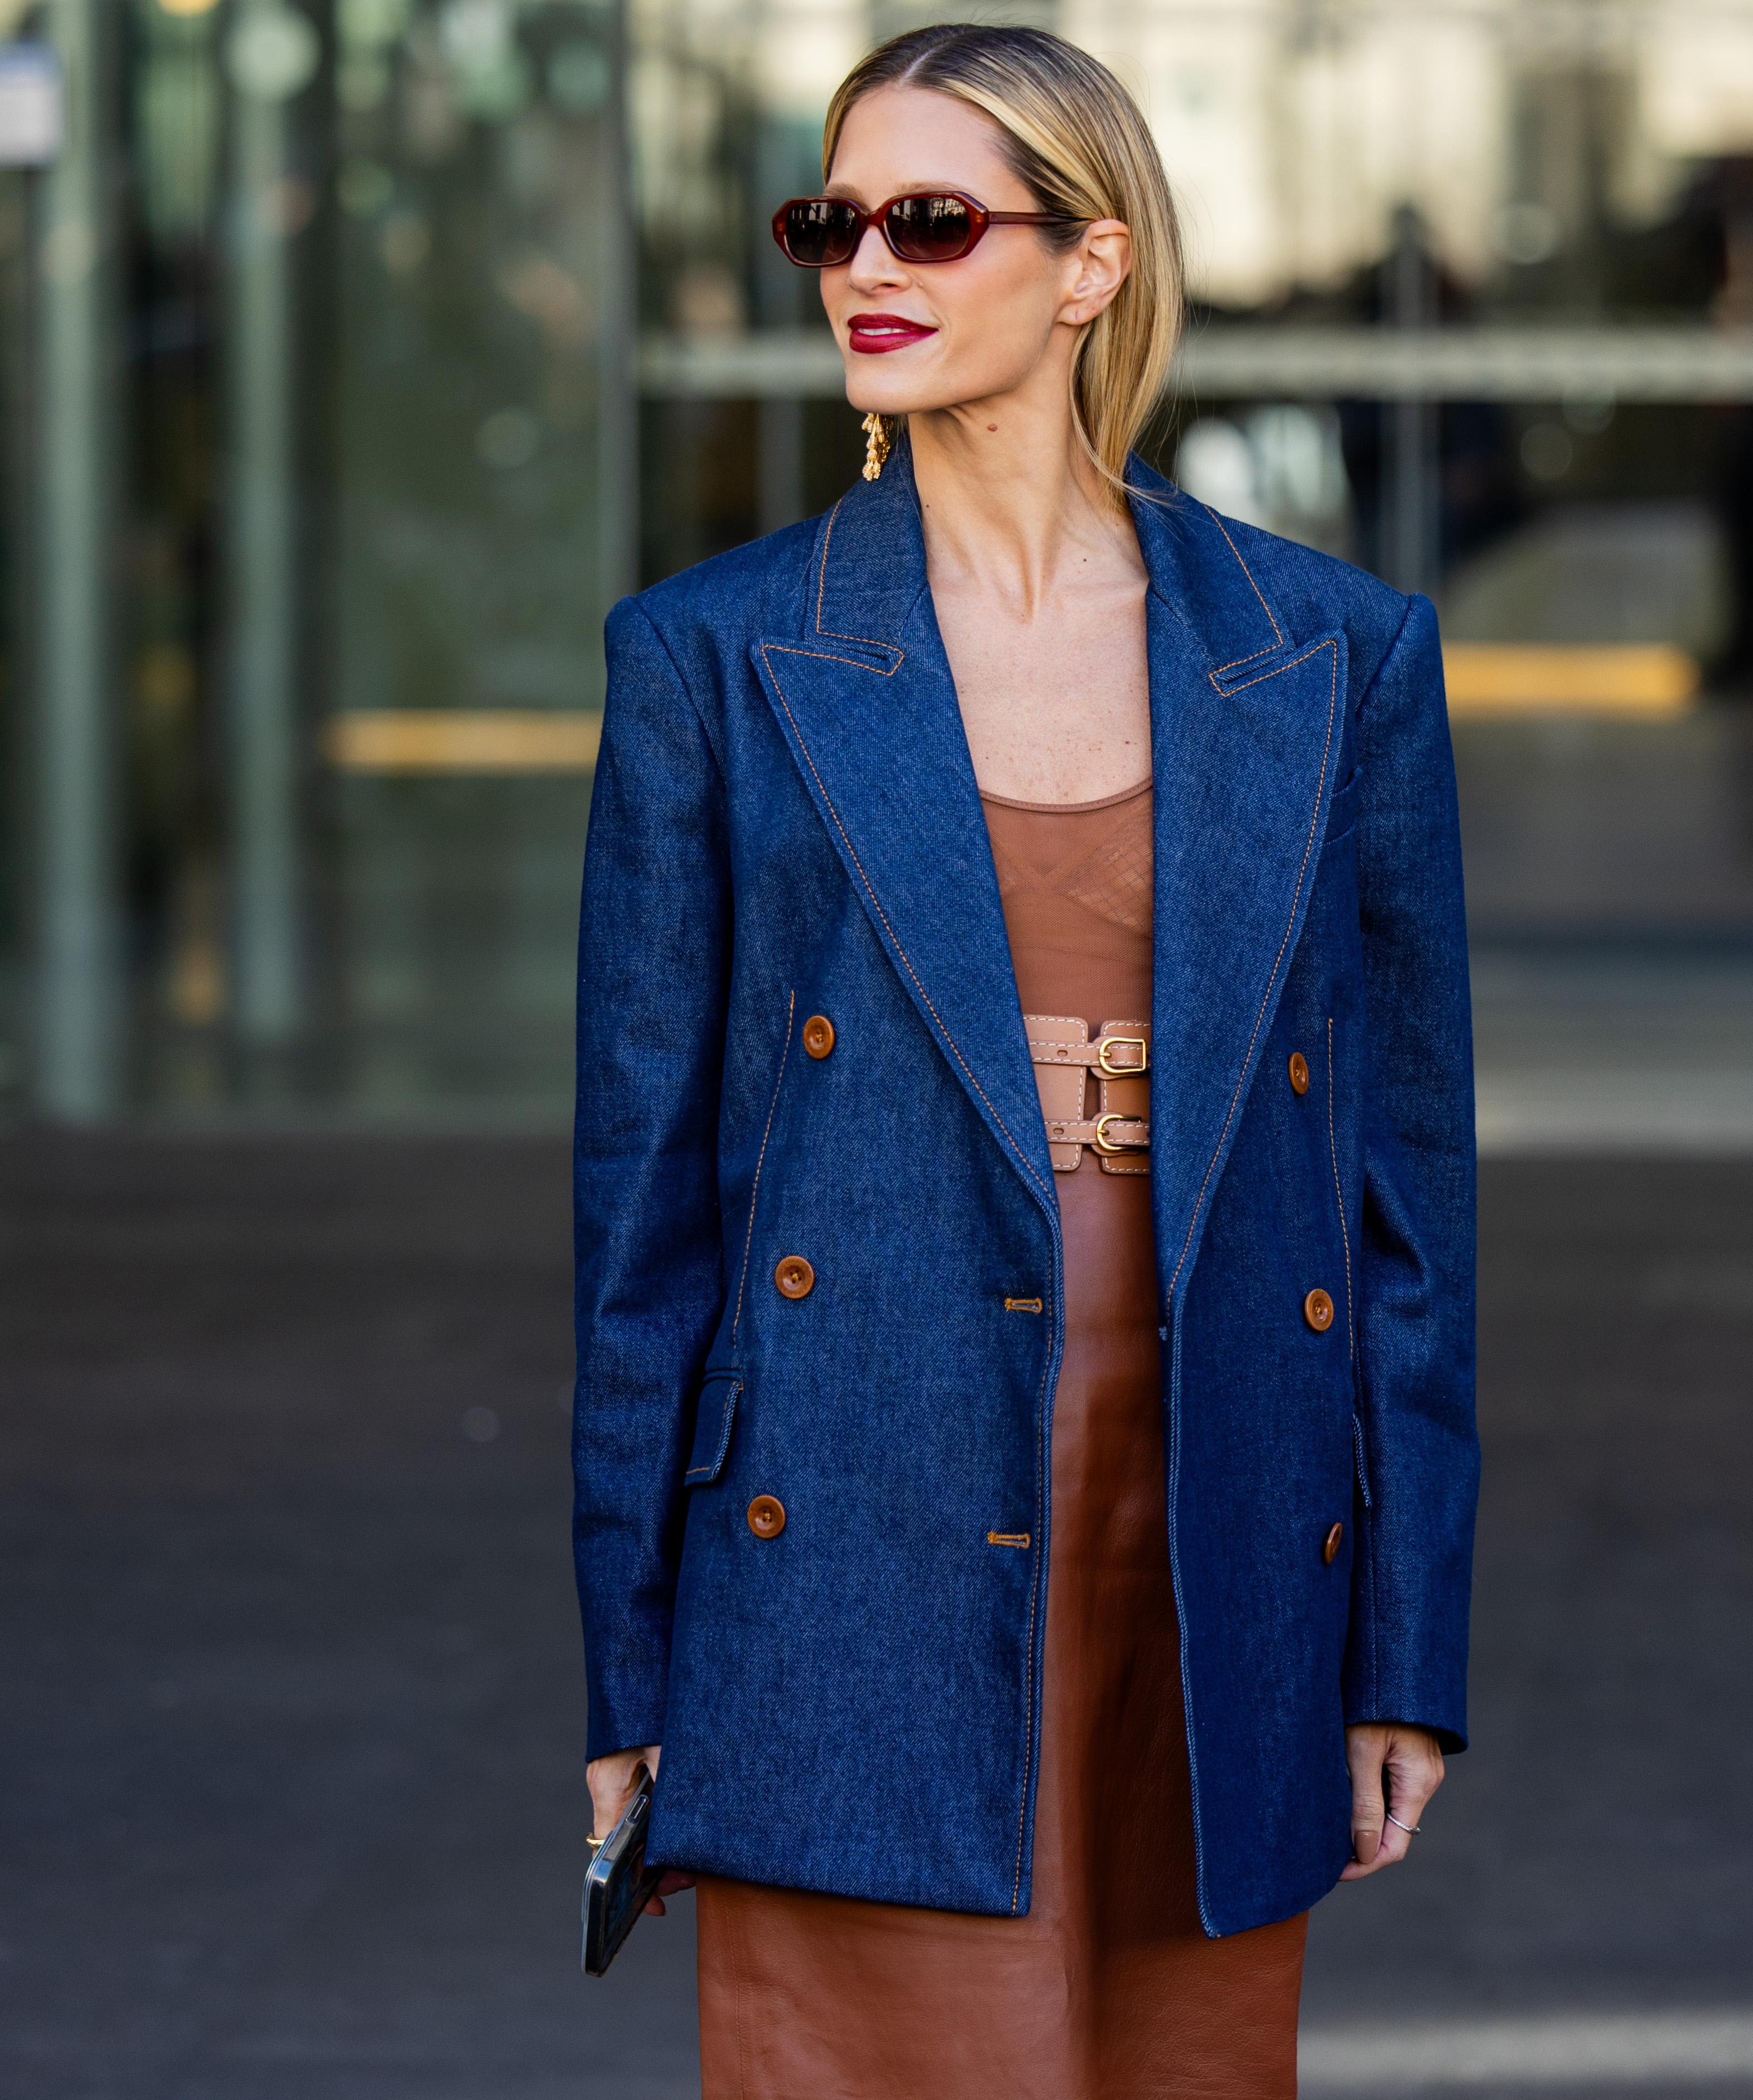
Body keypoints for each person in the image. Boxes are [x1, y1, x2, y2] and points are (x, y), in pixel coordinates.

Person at [571, 24, 1477, 2096]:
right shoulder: (712, 654)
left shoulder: (1328, 653)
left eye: (932, 220)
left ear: (1091, 264)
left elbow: (1409, 1192)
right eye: (833, 221)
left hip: (1215, 1484)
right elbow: (647, 1209)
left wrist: (1407, 1634)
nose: (863, 267)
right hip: (852, 1492)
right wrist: (631, 1658)